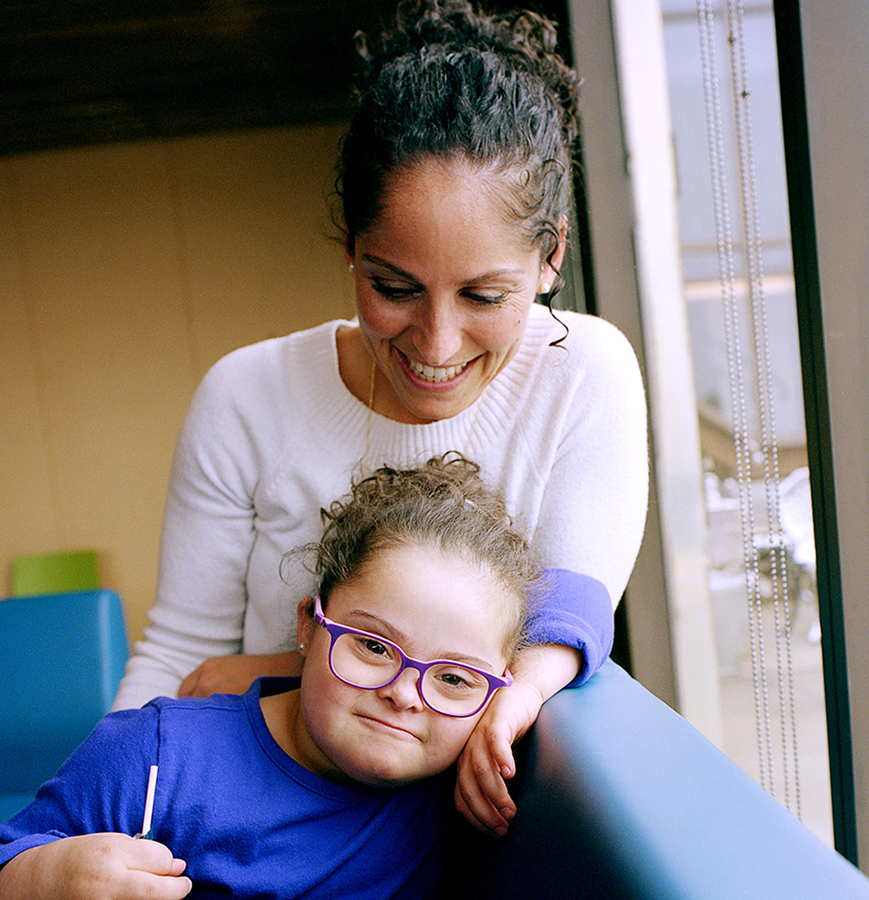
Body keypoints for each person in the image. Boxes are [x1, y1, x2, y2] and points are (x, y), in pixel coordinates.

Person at [112, 0, 649, 835]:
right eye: (392, 287)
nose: (435, 343)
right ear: (351, 247)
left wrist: (268, 674)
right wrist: (83, 828)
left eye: (485, 295)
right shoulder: (245, 397)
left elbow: (565, 615)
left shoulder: (584, 371)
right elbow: (181, 660)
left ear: (552, 256)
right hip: (238, 820)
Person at [0, 455, 543, 900]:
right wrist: (47, 881)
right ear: (308, 625)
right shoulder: (158, 752)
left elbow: (582, 607)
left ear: (496, 688)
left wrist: (527, 697)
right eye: (370, 645)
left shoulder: (447, 774)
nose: (404, 692)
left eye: (453, 679)